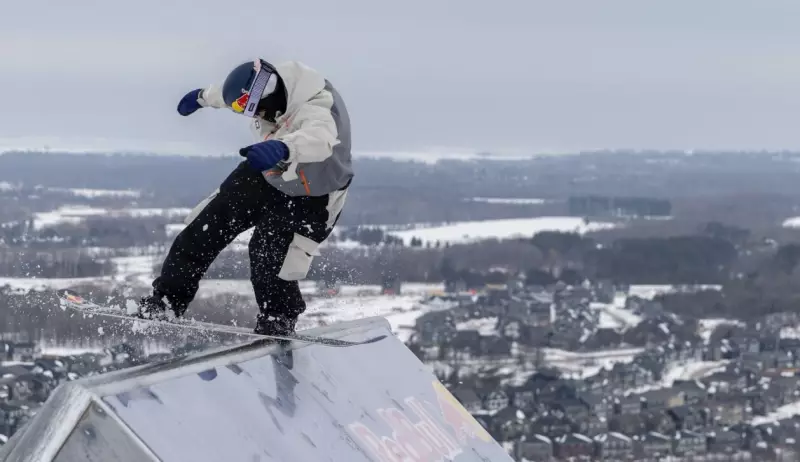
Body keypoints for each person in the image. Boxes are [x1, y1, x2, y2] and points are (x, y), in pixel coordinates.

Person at [137, 58, 353, 336]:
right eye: (243, 109)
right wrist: (203, 97)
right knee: (206, 226)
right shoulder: (270, 87)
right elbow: (231, 94)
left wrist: (284, 147)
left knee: (269, 253)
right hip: (270, 172)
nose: (251, 115)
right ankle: (167, 300)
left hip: (314, 194)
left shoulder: (317, 106)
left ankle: (278, 319)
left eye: (250, 109)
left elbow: (319, 139)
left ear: (269, 97)